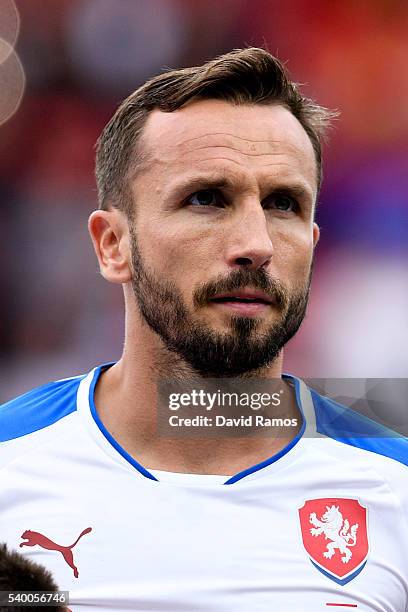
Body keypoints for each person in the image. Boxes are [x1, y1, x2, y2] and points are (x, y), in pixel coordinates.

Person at [0, 48, 406, 611]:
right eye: (206, 199)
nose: (257, 245)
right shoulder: (9, 467)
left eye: (284, 204)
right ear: (113, 245)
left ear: (313, 245)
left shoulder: (395, 490)